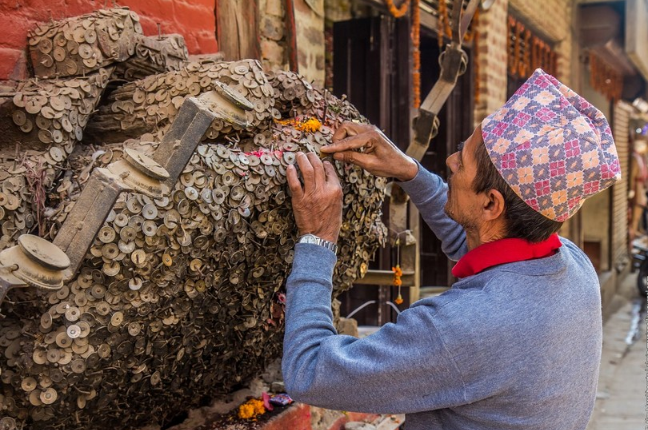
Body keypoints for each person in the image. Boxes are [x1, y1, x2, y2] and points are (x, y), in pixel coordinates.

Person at [282, 69, 621, 429]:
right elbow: (475, 244)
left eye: (463, 156)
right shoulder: (573, 265)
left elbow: (308, 369)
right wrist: (410, 172)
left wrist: (318, 238)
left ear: (491, 204)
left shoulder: (462, 326)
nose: (450, 161)